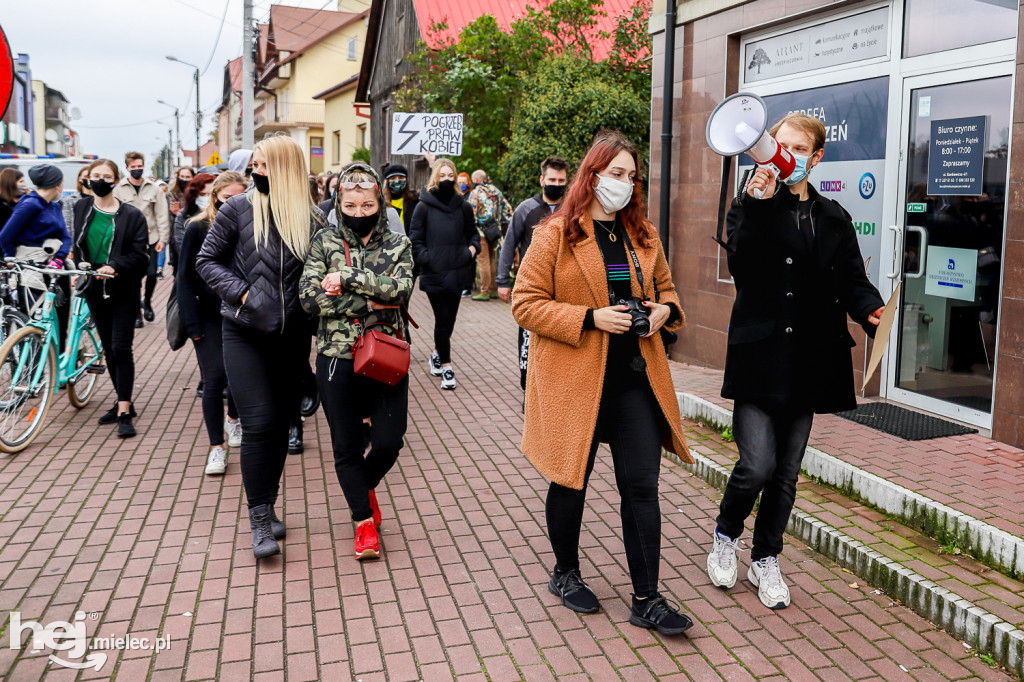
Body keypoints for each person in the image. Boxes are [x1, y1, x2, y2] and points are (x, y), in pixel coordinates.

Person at [511, 130, 693, 635]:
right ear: (591, 176)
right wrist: (590, 318)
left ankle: (647, 599)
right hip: (575, 377)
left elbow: (669, 293)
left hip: (636, 378)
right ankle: (565, 572)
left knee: (642, 488)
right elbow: (524, 303)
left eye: (632, 176)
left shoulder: (644, 235)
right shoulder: (555, 233)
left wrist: (664, 312)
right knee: (570, 479)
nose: (626, 184)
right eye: (616, 174)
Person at [706, 113, 885, 610]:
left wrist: (871, 310)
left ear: (817, 156)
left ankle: (766, 557)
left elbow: (852, 279)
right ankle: (726, 534)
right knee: (756, 466)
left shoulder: (833, 216)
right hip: (761, 357)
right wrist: (757, 203)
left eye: (798, 147)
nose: (786, 154)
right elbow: (741, 262)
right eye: (778, 144)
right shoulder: (751, 206)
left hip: (809, 360)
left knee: (786, 472)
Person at [197, 135, 321, 560]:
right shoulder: (236, 209)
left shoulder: (313, 218)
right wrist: (245, 295)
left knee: (283, 422)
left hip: (292, 338)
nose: (256, 172)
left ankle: (268, 503)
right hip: (244, 332)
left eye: (264, 165)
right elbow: (205, 262)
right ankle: (259, 519)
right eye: (253, 164)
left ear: (285, 168)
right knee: (260, 421)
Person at [300, 162, 413, 560]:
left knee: (388, 441)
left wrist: (348, 279)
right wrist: (370, 302)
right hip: (336, 358)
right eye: (351, 204)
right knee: (346, 447)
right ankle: (364, 521)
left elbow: (401, 290)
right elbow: (310, 298)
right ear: (338, 202)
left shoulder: (397, 243)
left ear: (379, 202)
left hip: (385, 352)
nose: (359, 213)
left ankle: (359, 488)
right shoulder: (323, 241)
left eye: (367, 204)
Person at [71, 159, 150, 438]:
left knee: (120, 347)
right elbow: (76, 244)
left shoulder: (132, 216)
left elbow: (141, 256)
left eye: (106, 176)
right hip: (93, 288)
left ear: (116, 180)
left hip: (123, 289)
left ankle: (125, 410)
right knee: (108, 346)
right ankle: (121, 400)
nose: (100, 180)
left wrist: (114, 265)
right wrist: (77, 269)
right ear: (87, 179)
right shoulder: (80, 208)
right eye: (96, 175)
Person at [177, 171, 247, 476]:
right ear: (215, 195)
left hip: (240, 312)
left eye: (240, 197)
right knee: (213, 378)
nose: (234, 202)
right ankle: (216, 447)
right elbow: (184, 277)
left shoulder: (249, 224)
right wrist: (191, 324)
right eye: (228, 197)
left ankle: (233, 419)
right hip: (206, 315)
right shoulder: (197, 227)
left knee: (238, 375)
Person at [498, 156, 569, 390]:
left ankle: (554, 385)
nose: (556, 184)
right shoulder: (526, 209)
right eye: (552, 179)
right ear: (542, 180)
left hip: (564, 287)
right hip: (533, 287)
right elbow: (509, 244)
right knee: (528, 339)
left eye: (561, 180)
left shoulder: (572, 209)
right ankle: (528, 388)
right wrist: (502, 281)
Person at [409, 158, 479, 391]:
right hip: (435, 274)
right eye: (443, 175)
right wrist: (429, 260)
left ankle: (437, 353)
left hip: (458, 271)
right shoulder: (424, 206)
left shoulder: (464, 206)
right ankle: (447, 367)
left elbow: (473, 234)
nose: (447, 179)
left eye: (451, 176)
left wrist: (471, 250)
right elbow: (415, 240)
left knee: (450, 319)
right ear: (435, 177)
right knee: (442, 319)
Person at [113, 152, 170, 327]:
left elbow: (161, 213)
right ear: (127, 167)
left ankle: (148, 302)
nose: (137, 170)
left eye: (140, 166)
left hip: (152, 239)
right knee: (134, 278)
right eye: (134, 167)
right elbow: (115, 215)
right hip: (129, 242)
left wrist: (163, 238)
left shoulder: (153, 188)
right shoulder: (119, 189)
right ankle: (136, 311)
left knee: (152, 273)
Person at [466, 170, 512, 301]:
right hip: (494, 231)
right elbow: (508, 210)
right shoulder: (496, 191)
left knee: (483, 261)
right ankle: (492, 290)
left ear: (475, 180)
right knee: (491, 259)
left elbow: (471, 214)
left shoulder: (475, 194)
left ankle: (484, 292)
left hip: (481, 232)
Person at [172, 173, 216, 265]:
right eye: (202, 194)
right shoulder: (184, 216)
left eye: (210, 194)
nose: (206, 198)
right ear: (194, 195)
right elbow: (182, 247)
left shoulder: (221, 214)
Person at [382, 164, 418, 233]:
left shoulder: (415, 200)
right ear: (386, 181)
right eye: (393, 178)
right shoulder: (381, 203)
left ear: (406, 180)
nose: (397, 181)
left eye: (401, 178)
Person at [62, 167, 93, 239]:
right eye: (86, 176)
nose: (89, 180)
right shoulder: (70, 200)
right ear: (80, 179)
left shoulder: (101, 200)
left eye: (91, 176)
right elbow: (67, 226)